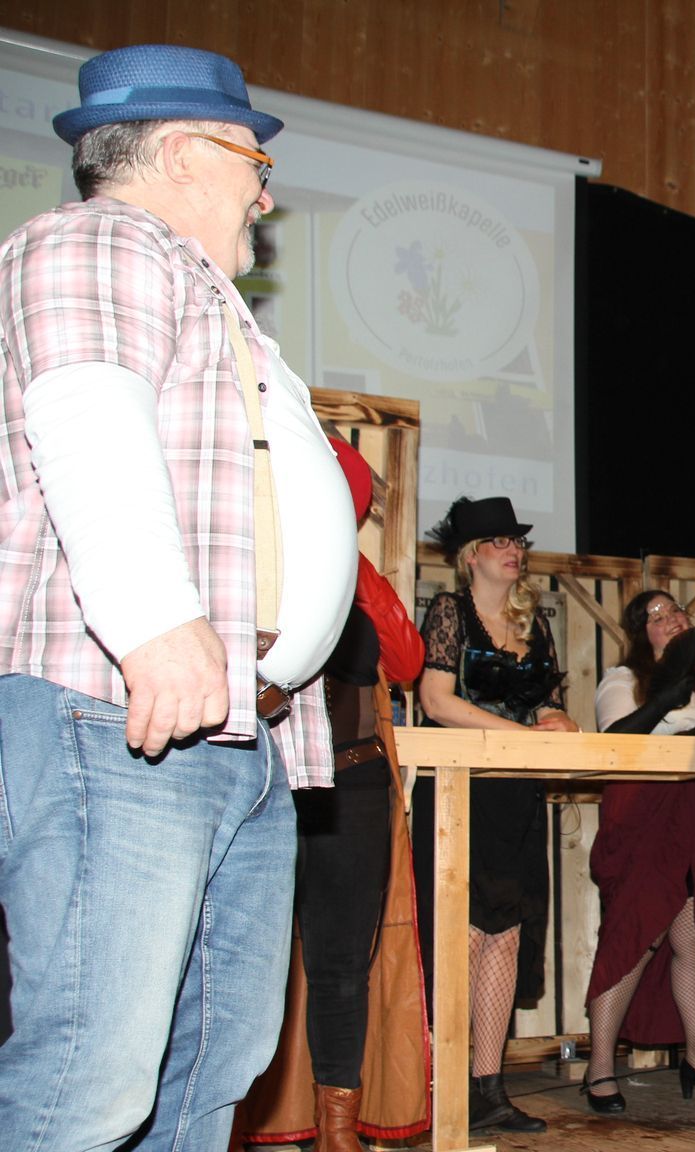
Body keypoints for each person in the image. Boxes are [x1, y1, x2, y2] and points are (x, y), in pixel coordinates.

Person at [0, 44, 357, 1152]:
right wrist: (155, 622)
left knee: (211, 1066)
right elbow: (87, 416)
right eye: (257, 163)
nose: (266, 194)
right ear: (186, 152)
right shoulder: (101, 238)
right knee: (93, 1079)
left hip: (233, 726)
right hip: (120, 707)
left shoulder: (212, 299)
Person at [237, 439, 430, 1151]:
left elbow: (407, 661)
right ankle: (232, 1121)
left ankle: (337, 1131)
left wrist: (351, 565)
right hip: (270, 776)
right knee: (247, 955)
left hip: (352, 786)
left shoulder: (355, 574)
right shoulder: (256, 560)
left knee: (342, 963)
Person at [414, 496, 577, 1133]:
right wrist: (519, 734)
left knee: (506, 934)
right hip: (462, 791)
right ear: (472, 555)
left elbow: (546, 703)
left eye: (519, 543)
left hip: (517, 794)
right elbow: (436, 700)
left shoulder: (534, 622)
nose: (515, 552)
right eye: (501, 542)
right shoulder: (449, 610)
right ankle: (444, 1085)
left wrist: (555, 722)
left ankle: (490, 1089)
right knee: (463, 932)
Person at [585, 590, 695, 1110]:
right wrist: (662, 701)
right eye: (657, 616)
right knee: (637, 936)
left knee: (693, 941)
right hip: (646, 815)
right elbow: (615, 742)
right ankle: (599, 1067)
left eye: (676, 610)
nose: (672, 618)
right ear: (642, 633)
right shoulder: (623, 681)